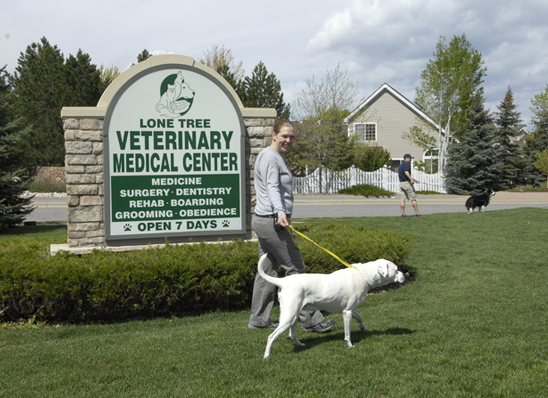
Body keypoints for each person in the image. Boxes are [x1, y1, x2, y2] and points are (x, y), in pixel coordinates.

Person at [248, 119, 335, 333]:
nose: (288, 140)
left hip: (265, 220)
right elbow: (272, 186)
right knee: (296, 271)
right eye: (284, 136)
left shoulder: (273, 157)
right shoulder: (270, 157)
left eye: (291, 136)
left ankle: (259, 319)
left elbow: (267, 186)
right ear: (274, 136)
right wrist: (279, 212)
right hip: (273, 222)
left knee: (267, 271)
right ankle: (311, 320)